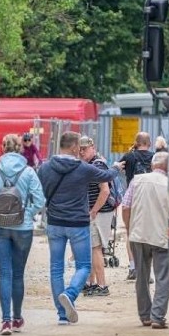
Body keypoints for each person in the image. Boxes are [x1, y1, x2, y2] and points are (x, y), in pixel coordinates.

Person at [38, 131, 121, 325]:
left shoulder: (45, 168)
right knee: (83, 265)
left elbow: (39, 191)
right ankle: (70, 293)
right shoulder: (84, 168)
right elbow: (107, 176)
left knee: (56, 268)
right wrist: (117, 167)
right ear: (75, 147)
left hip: (55, 222)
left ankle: (62, 315)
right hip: (78, 224)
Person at [0, 134, 45, 335]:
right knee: (18, 274)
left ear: (3, 148)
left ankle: (5, 320)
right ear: (21, 148)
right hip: (22, 228)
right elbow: (40, 200)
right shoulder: (29, 171)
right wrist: (27, 213)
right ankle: (17, 318)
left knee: (5, 274)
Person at [121, 152, 169, 328]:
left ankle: (145, 316)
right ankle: (157, 316)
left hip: (138, 235)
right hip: (162, 236)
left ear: (152, 166)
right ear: (168, 167)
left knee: (141, 277)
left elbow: (126, 206)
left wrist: (129, 228)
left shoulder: (137, 181)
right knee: (163, 277)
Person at [79, 136, 116, 297]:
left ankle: (101, 285)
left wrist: (93, 211)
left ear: (92, 147)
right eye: (79, 149)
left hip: (99, 213)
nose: (81, 152)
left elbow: (105, 190)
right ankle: (90, 283)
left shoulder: (97, 164)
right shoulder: (92, 163)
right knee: (92, 248)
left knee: (95, 249)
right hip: (99, 212)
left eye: (84, 149)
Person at [118, 132, 156, 280]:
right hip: (151, 200)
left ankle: (133, 268)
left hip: (132, 199)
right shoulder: (154, 157)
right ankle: (147, 271)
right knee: (149, 235)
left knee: (131, 233)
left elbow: (118, 167)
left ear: (136, 142)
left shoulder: (129, 156)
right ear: (149, 143)